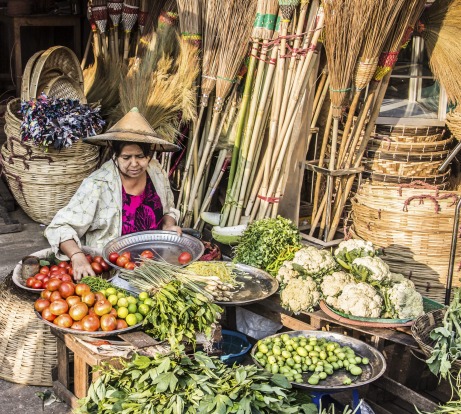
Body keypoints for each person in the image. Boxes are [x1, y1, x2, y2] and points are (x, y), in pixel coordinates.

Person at [45, 108, 181, 280]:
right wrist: (76, 256)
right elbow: (59, 227)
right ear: (115, 156)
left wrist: (168, 225)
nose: (134, 164)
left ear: (149, 156)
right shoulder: (97, 185)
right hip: (113, 269)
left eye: (140, 156)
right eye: (126, 157)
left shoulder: (155, 171)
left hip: (156, 264)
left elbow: (168, 209)